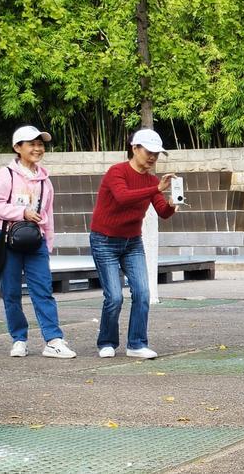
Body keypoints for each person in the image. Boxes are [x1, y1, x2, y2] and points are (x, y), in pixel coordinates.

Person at [90, 129, 177, 359]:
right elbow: (123, 197)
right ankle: (106, 342)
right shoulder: (117, 172)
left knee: (143, 292)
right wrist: (156, 189)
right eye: (149, 152)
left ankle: (136, 344)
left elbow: (162, 211)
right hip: (104, 240)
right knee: (114, 297)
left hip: (132, 242)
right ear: (135, 148)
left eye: (157, 154)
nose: (153, 157)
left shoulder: (151, 180)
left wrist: (171, 204)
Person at [0, 126, 76, 358]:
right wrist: (21, 212)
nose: (37, 148)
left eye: (40, 144)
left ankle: (53, 340)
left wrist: (47, 245)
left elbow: (47, 215)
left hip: (35, 242)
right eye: (31, 144)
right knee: (11, 292)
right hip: (8, 241)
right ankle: (19, 339)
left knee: (43, 290)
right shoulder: (6, 175)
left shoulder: (45, 181)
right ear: (17, 148)